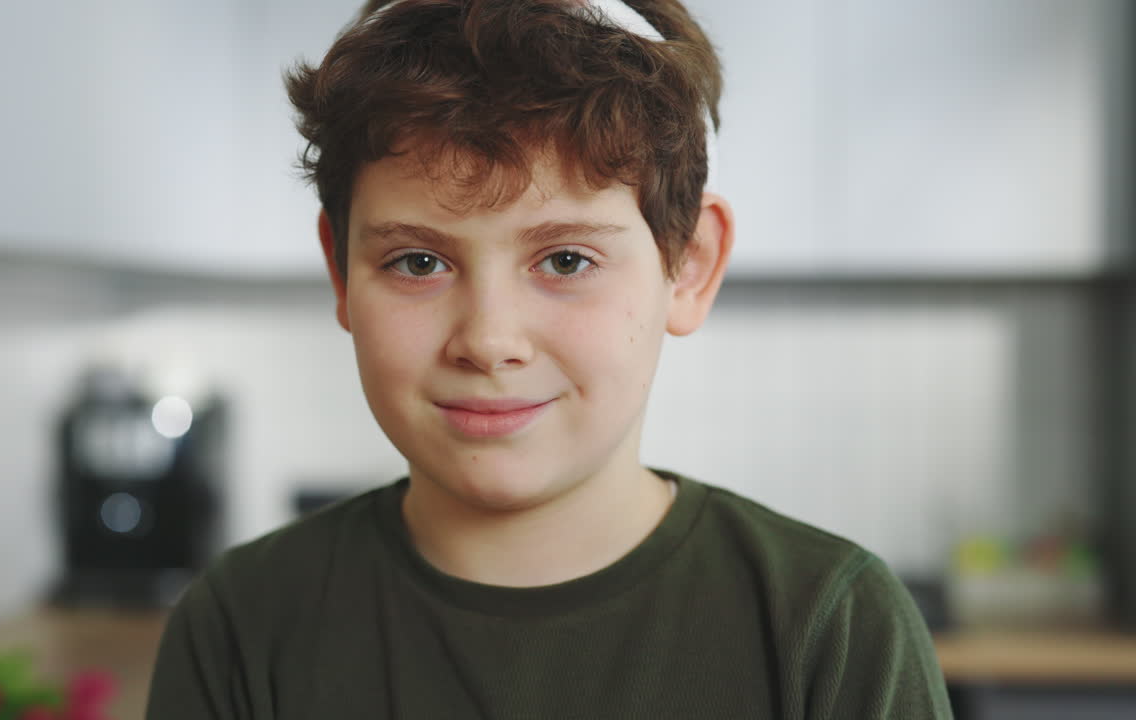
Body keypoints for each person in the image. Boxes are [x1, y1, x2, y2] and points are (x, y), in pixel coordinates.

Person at [144, 0, 954, 717]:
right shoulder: (240, 625)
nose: (489, 340)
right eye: (418, 262)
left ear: (689, 266)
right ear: (340, 273)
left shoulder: (831, 627)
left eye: (566, 260)